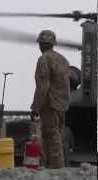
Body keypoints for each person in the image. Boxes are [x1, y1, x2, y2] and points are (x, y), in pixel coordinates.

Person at [31, 30, 70, 169]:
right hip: (62, 105)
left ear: (41, 44)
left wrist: (35, 107)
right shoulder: (63, 60)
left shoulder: (44, 59)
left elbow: (43, 85)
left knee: (51, 137)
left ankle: (56, 169)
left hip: (50, 104)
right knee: (58, 136)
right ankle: (58, 167)